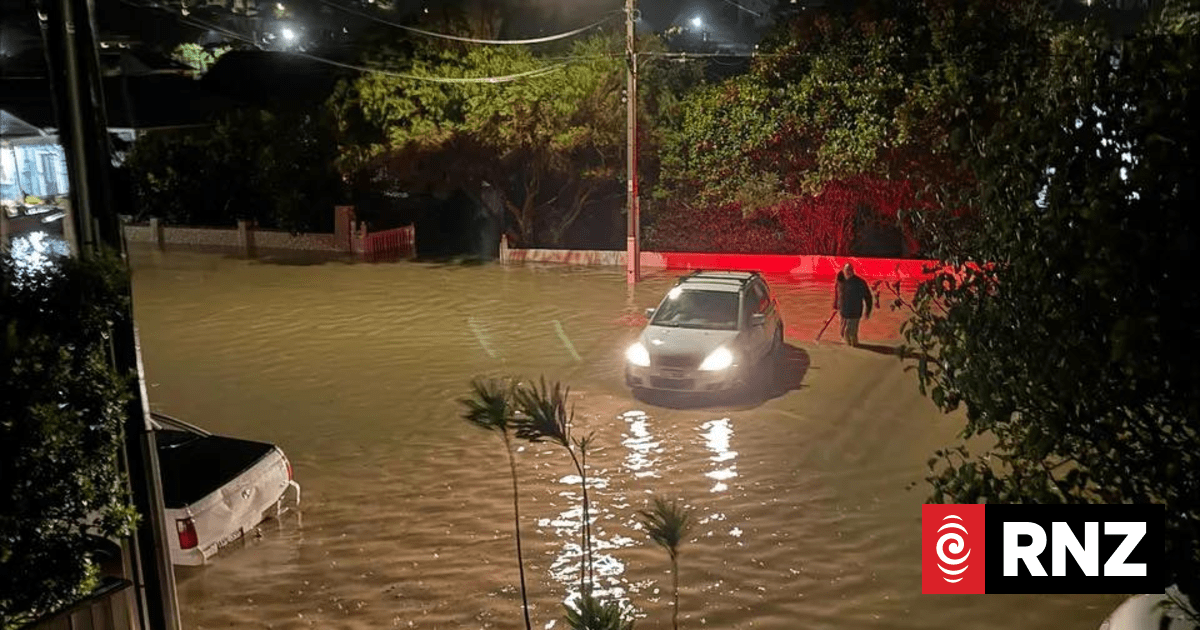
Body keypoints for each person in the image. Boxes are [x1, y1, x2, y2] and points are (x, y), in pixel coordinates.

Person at [832, 262, 871, 347]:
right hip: (843, 312)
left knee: (849, 332)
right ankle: (850, 348)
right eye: (847, 270)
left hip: (854, 312)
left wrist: (867, 311)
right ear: (843, 270)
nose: (848, 272)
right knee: (843, 334)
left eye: (850, 270)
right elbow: (837, 293)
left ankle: (854, 347)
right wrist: (835, 304)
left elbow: (868, 297)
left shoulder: (859, 283)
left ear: (853, 271)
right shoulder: (840, 281)